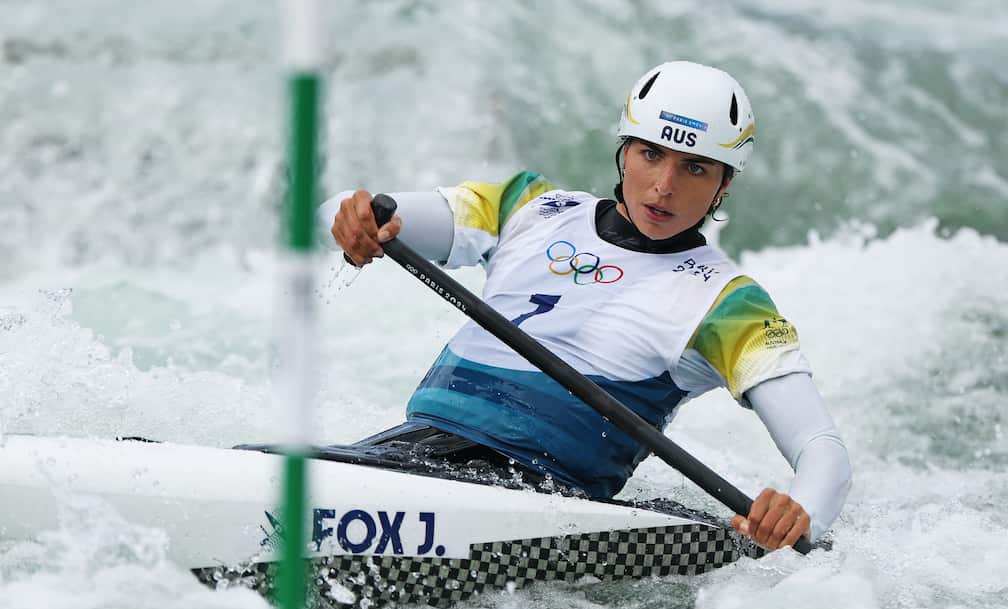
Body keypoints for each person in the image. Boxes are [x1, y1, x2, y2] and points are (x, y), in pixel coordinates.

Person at [318, 60, 851, 552]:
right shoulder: (527, 207)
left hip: (541, 503)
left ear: (724, 185)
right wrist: (355, 222)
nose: (664, 186)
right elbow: (344, 211)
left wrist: (800, 513)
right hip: (410, 453)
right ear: (624, 151)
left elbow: (821, 448)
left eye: (695, 169)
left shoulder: (729, 304)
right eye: (651, 154)